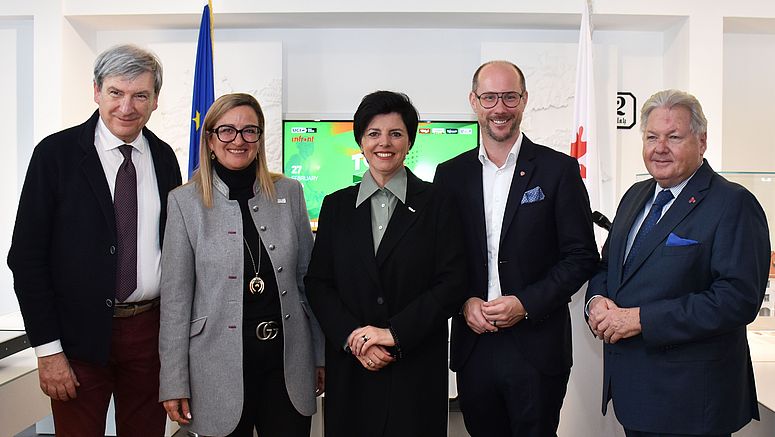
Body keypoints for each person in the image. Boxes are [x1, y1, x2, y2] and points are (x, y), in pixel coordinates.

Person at [7, 44, 181, 436]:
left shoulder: (164, 158)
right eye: (116, 93)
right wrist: (48, 351)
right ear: (96, 92)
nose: (127, 106)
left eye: (140, 95)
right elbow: (27, 258)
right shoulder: (55, 155)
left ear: (155, 100)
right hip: (76, 338)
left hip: (148, 334)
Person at [585, 89, 771, 437]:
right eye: (652, 137)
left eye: (674, 137)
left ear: (702, 141)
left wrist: (641, 319)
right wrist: (596, 303)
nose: (660, 147)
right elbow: (606, 267)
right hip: (635, 394)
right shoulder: (635, 196)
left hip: (691, 403)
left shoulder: (733, 204)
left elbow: (737, 299)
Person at [433, 60, 599, 437]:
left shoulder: (559, 171)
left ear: (524, 100)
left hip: (536, 347)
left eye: (509, 96)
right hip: (474, 344)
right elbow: (442, 258)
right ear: (474, 102)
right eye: (489, 97)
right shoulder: (450, 175)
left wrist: (525, 303)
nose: (500, 108)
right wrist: (463, 302)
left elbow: (581, 256)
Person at [159, 93, 324, 437]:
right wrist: (173, 381)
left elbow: (309, 282)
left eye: (250, 131)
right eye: (227, 131)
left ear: (260, 139)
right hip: (215, 368)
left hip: (287, 365)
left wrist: (320, 355)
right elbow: (175, 302)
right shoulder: (184, 203)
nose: (239, 140)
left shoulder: (289, 192)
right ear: (210, 139)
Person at [305, 90, 467, 437]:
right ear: (360, 141)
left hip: (415, 369)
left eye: (396, 134)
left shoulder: (438, 202)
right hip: (353, 369)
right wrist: (354, 337)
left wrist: (393, 333)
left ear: (409, 141)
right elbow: (319, 283)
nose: (385, 143)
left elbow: (453, 283)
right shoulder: (336, 207)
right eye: (374, 133)